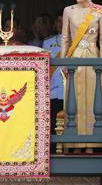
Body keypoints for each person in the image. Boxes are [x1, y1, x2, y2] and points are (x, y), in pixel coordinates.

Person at [60, 0, 102, 153]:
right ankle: (73, 143)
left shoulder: (100, 10)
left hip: (93, 57)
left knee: (91, 99)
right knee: (74, 98)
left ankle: (91, 145)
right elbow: (65, 38)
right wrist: (63, 61)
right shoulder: (68, 11)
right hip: (74, 57)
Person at [42, 9, 64, 151]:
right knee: (52, 123)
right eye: (59, 21)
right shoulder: (48, 43)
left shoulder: (79, 43)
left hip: (71, 90)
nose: (61, 24)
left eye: (64, 21)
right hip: (54, 90)